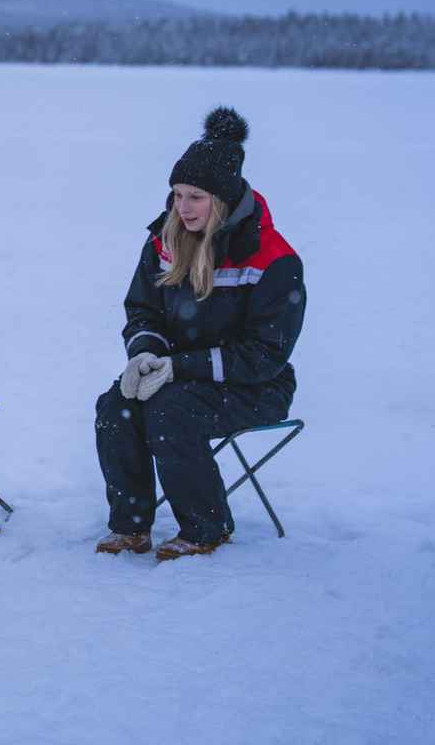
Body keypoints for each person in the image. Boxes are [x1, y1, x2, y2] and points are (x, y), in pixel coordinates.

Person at [94, 107, 305, 561]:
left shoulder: (274, 258)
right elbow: (142, 309)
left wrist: (179, 367)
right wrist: (145, 354)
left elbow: (266, 354)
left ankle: (206, 527)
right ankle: (130, 526)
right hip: (176, 376)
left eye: (195, 197)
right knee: (117, 405)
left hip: (255, 386)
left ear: (223, 200)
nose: (181, 207)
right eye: (176, 195)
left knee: (171, 412)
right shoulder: (163, 243)